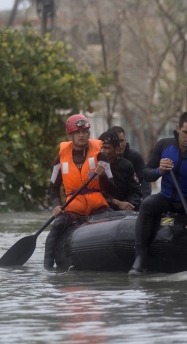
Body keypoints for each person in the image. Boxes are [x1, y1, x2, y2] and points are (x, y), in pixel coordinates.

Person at [128, 111, 187, 275]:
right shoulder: (163, 145)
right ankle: (139, 259)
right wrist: (159, 170)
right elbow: (146, 173)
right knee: (147, 204)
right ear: (178, 128)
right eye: (186, 132)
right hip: (166, 198)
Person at [44, 114, 115, 268]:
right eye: (78, 132)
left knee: (115, 220)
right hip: (73, 209)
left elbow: (111, 188)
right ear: (70, 135)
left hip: (97, 207)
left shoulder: (100, 155)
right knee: (56, 227)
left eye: (85, 131)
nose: (82, 135)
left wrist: (102, 176)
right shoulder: (61, 160)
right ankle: (48, 267)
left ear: (89, 133)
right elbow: (53, 188)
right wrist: (56, 205)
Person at [98, 130, 142, 211]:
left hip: (124, 211)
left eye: (106, 148)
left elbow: (135, 191)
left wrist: (129, 205)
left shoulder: (126, 165)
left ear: (117, 150)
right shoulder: (94, 166)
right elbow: (95, 193)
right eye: (101, 147)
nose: (102, 151)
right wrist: (117, 203)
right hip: (102, 208)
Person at [108, 126, 152, 200]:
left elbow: (144, 179)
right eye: (117, 141)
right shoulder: (104, 159)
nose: (120, 145)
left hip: (132, 199)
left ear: (126, 140)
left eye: (122, 141)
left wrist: (146, 199)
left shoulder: (135, 156)